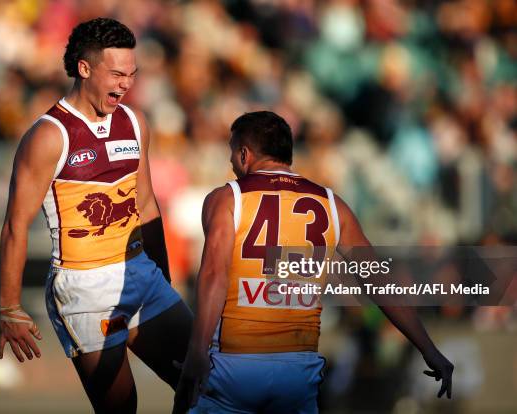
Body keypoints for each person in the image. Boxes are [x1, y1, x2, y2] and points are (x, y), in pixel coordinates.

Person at [173, 111, 453, 413]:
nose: (230, 162)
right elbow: (378, 281)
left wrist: (197, 351)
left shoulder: (226, 199)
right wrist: (428, 348)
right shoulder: (333, 205)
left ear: (244, 154)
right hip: (298, 371)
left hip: (235, 365)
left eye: (232, 152)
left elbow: (215, 274)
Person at [0, 18, 192, 413]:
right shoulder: (48, 135)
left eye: (132, 75)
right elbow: (16, 226)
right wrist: (9, 308)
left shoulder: (135, 122)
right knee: (122, 408)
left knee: (206, 381)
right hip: (84, 289)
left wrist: (164, 280)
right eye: (116, 74)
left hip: (140, 272)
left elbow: (147, 203)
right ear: (84, 69)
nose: (125, 84)